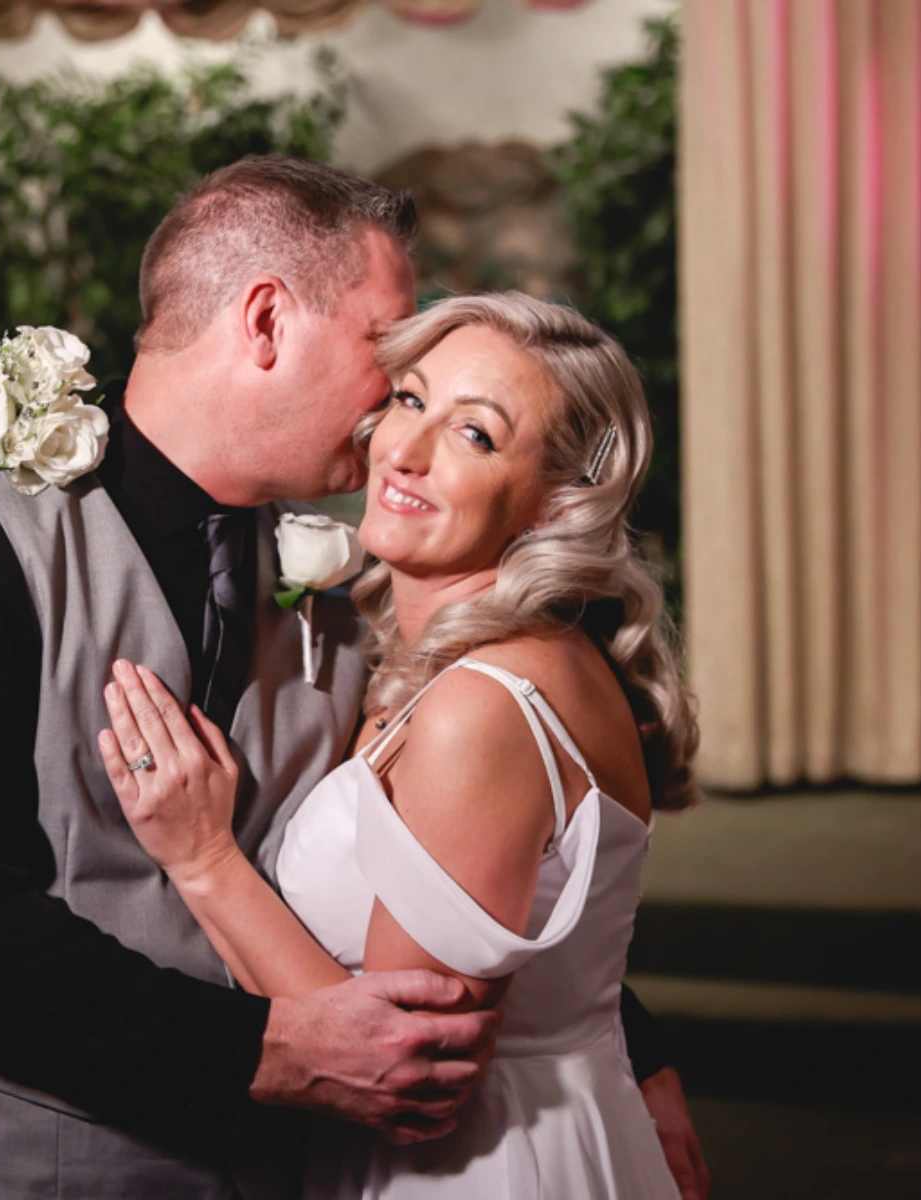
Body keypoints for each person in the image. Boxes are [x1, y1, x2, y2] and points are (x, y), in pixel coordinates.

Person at [0, 158, 707, 1199]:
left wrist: (620, 1035)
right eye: (387, 352)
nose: (391, 399)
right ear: (264, 325)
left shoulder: (343, 573)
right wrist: (267, 1051)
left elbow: (461, 855)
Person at [98, 291, 701, 1198]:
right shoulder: (459, 660)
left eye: (477, 435)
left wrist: (204, 857)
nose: (406, 452)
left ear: (551, 507)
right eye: (412, 400)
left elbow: (405, 1071)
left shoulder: (482, 708)